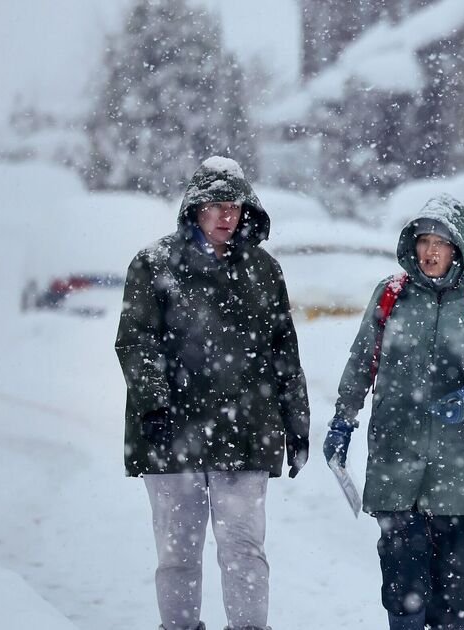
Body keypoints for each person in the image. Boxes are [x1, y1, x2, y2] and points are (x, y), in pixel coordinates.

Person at [115, 156, 310, 630]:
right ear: (193, 210)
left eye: (234, 206)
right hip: (170, 433)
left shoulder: (264, 270)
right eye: (214, 205)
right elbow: (136, 340)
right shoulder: (154, 264)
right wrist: (154, 400)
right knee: (178, 553)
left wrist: (296, 424)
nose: (226, 215)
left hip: (246, 431)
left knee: (244, 549)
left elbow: (284, 352)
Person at [324, 194, 464, 630]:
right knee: (402, 580)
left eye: (441, 242)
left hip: (459, 465)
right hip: (396, 458)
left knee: (452, 588)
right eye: (424, 240)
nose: (430, 251)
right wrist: (343, 418)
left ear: (457, 248)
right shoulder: (391, 295)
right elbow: (361, 363)